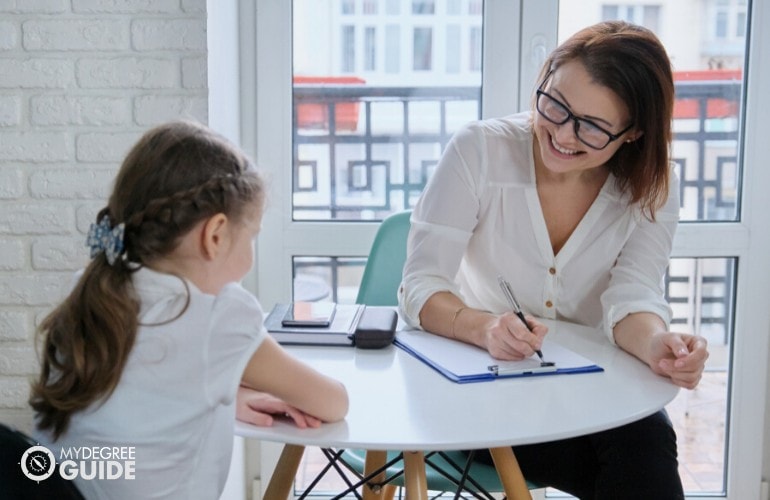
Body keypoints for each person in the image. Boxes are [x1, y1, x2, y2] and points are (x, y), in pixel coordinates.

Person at [397, 21, 709, 499]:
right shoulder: (478, 152)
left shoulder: (652, 187)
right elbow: (421, 285)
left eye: (592, 126)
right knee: (637, 461)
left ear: (634, 132)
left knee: (645, 442)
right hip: (480, 383)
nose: (562, 134)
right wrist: (484, 327)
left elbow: (633, 294)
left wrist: (656, 345)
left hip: (590, 390)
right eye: (555, 105)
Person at [29, 121, 349, 500]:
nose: (251, 256)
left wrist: (230, 393)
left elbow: (136, 406)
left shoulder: (91, 293)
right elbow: (333, 402)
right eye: (252, 237)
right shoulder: (219, 317)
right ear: (215, 236)